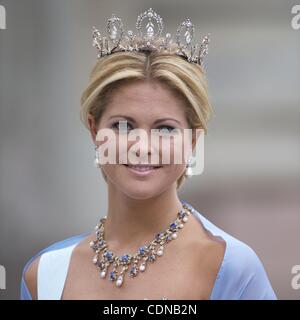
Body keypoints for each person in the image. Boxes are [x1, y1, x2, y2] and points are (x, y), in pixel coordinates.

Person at [20, 8, 277, 300]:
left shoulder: (231, 270)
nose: (142, 147)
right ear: (94, 129)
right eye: (123, 125)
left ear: (193, 140)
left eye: (165, 129)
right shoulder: (45, 276)